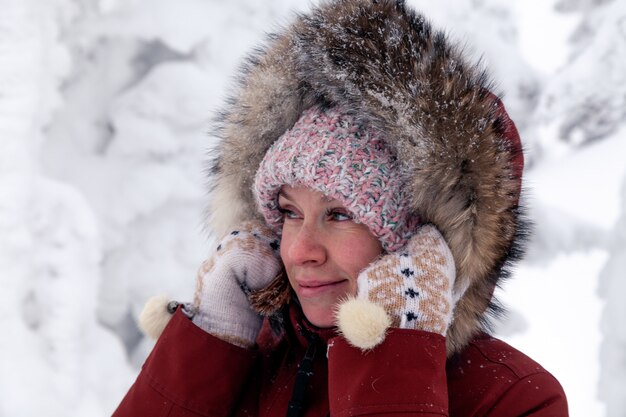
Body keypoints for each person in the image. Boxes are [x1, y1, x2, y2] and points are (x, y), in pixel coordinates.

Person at [113, 0, 569, 416]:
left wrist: (395, 350)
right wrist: (206, 348)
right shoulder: (243, 363)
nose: (300, 251)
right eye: (290, 213)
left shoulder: (511, 398)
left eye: (339, 214)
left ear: (418, 245)